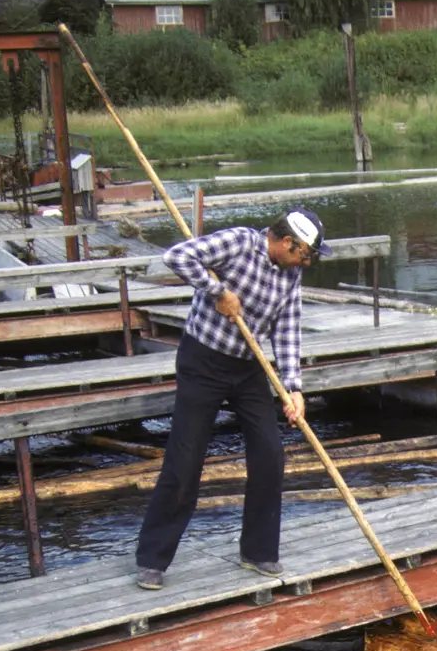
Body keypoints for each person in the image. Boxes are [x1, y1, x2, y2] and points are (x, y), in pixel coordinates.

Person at [133, 208, 328, 590]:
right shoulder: (239, 242)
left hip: (248, 365)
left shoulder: (291, 273)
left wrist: (293, 387)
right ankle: (153, 558)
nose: (305, 262)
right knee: (185, 460)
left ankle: (257, 551)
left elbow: (287, 327)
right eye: (305, 254)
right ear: (287, 242)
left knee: (271, 454)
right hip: (203, 360)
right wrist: (218, 291)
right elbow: (177, 256)